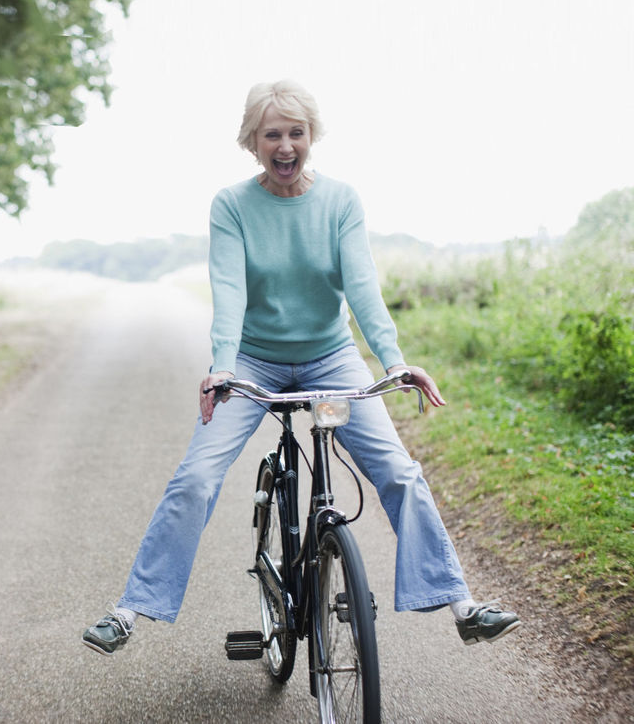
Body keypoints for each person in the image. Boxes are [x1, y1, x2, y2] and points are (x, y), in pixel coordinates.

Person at [82, 80, 520, 656]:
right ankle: (131, 609)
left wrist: (394, 362)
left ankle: (462, 605)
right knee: (196, 477)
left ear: (311, 137)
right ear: (252, 142)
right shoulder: (232, 205)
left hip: (331, 359)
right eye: (272, 135)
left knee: (399, 471)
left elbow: (362, 289)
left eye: (296, 133)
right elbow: (230, 292)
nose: (285, 146)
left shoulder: (339, 201)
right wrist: (221, 367)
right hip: (252, 362)